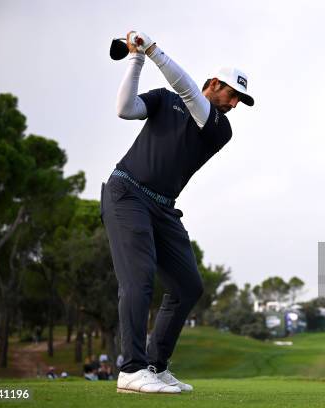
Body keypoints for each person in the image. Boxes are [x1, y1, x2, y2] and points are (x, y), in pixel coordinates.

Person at [101, 30, 254, 395]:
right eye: (233, 95)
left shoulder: (219, 127)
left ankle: (155, 365)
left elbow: (188, 91)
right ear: (215, 84)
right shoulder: (163, 100)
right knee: (139, 279)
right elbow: (125, 109)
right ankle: (132, 370)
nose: (234, 104)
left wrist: (152, 49)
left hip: (163, 208)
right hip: (127, 193)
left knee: (188, 286)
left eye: (239, 100)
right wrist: (137, 58)